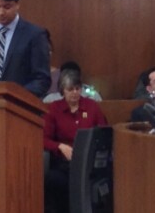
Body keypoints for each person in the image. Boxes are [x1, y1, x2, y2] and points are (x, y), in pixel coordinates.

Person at [43, 70, 108, 213]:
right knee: (53, 180)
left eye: (77, 88)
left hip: (90, 163)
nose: (75, 93)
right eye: (70, 89)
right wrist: (60, 146)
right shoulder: (55, 108)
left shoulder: (91, 106)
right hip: (64, 163)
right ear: (62, 91)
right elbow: (44, 139)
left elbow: (103, 133)